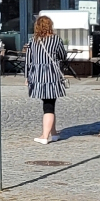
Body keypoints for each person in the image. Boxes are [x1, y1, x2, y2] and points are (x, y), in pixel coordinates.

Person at [25, 14, 67, 143]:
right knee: (49, 103)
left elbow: (28, 60)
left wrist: (27, 76)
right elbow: (63, 55)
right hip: (52, 75)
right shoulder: (56, 39)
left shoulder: (33, 41)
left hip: (38, 75)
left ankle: (45, 136)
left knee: (47, 105)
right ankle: (52, 133)